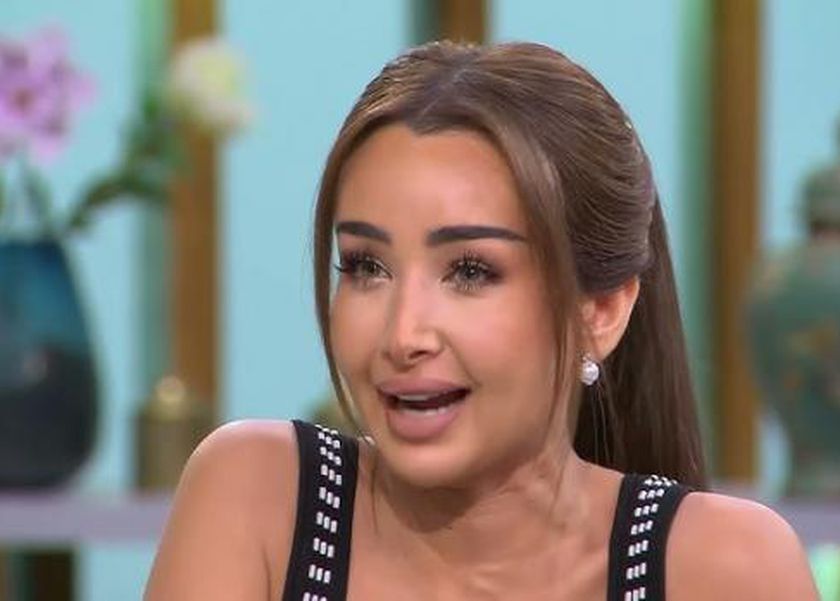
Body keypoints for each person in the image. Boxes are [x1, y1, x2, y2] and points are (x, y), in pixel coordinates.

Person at [144, 41, 819, 600]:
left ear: (601, 309)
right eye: (366, 266)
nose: (403, 335)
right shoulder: (259, 499)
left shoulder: (726, 567)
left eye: (470, 271)